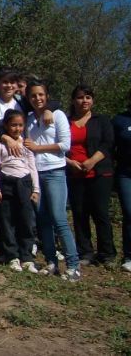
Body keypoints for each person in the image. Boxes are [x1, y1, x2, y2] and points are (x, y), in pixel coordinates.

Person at [24, 80, 81, 281]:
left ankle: (73, 265)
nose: (37, 98)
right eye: (33, 95)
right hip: (36, 174)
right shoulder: (29, 118)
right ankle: (51, 262)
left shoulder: (58, 116)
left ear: (47, 96)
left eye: (40, 94)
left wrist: (38, 148)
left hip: (55, 171)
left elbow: (65, 144)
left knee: (59, 219)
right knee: (43, 221)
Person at [65, 85, 115, 266]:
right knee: (79, 213)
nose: (84, 101)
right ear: (73, 100)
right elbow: (60, 145)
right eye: (80, 97)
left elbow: (108, 143)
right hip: (74, 173)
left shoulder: (101, 120)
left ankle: (107, 254)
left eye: (87, 97)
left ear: (92, 100)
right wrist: (71, 164)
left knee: (100, 213)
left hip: (100, 172)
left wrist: (91, 161)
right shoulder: (66, 121)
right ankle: (85, 252)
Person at [0, 110, 40, 273]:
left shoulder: (26, 145)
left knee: (26, 220)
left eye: (20, 125)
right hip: (6, 183)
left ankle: (26, 256)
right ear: (6, 125)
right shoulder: (0, 145)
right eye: (13, 125)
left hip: (24, 183)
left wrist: (36, 189)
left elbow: (33, 167)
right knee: (7, 220)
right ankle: (12, 256)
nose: (17, 128)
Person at [112, 88, 131, 273]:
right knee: (129, 212)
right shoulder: (120, 120)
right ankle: (129, 255)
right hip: (126, 173)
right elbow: (112, 147)